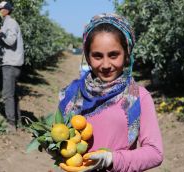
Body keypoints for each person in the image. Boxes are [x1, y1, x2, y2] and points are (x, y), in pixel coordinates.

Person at [58, 13, 163, 172]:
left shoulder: (138, 97)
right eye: (97, 56)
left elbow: (155, 152)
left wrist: (112, 159)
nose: (106, 64)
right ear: (87, 56)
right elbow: (61, 140)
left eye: (114, 55)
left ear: (127, 54)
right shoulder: (71, 95)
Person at [0, 1, 24, 131]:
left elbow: (11, 41)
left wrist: (0, 33)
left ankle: (11, 124)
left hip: (11, 64)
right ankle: (18, 121)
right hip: (12, 63)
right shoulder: (6, 23)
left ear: (6, 10)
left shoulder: (10, 23)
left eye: (0, 9)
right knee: (13, 94)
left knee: (7, 94)